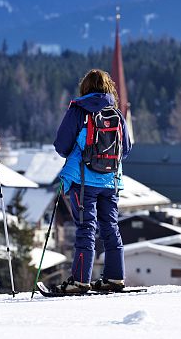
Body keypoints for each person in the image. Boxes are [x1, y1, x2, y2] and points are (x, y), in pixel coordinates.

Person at [53, 69, 132, 293]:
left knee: (86, 228)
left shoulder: (78, 111)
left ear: (85, 88)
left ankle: (80, 280)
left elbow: (61, 146)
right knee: (110, 227)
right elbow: (125, 149)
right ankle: (115, 278)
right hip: (111, 182)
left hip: (83, 180)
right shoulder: (115, 113)